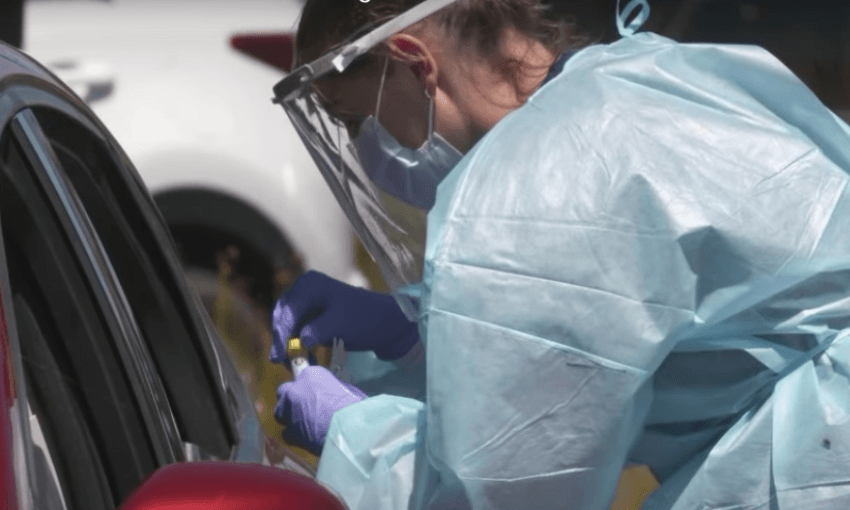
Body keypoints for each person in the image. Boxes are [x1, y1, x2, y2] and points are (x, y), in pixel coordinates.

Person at [268, 0, 850, 508]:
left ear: (416, 63)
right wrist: (415, 330)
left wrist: (355, 434)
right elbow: (606, 323)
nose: (361, 147)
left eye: (354, 119)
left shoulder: (529, 188)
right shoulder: (635, 78)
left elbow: (501, 490)